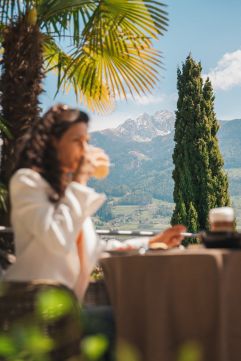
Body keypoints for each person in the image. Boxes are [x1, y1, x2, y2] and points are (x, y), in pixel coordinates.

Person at [4, 104, 186, 300]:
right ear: (52, 143)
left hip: (67, 311)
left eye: (86, 141)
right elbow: (57, 239)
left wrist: (150, 242)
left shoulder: (69, 195)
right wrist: (80, 180)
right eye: (77, 141)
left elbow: (98, 250)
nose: (85, 149)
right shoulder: (27, 182)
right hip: (31, 308)